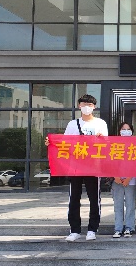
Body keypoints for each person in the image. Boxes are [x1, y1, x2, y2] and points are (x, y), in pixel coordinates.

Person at [45, 94, 108, 242]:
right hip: (75, 167)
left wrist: (102, 138)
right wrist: (52, 143)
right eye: (84, 104)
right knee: (74, 198)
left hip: (93, 167)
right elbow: (65, 143)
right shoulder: (73, 124)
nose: (87, 107)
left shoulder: (100, 123)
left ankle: (92, 229)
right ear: (79, 106)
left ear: (94, 107)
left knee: (94, 199)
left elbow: (107, 145)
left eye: (90, 105)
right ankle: (74, 230)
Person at [112, 122, 136, 238]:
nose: (126, 131)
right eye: (123, 129)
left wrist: (129, 178)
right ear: (119, 131)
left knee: (130, 205)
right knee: (118, 206)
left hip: (130, 181)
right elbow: (110, 162)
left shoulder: (135, 145)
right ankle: (118, 229)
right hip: (117, 180)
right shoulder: (114, 144)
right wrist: (115, 176)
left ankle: (129, 228)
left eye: (128, 129)